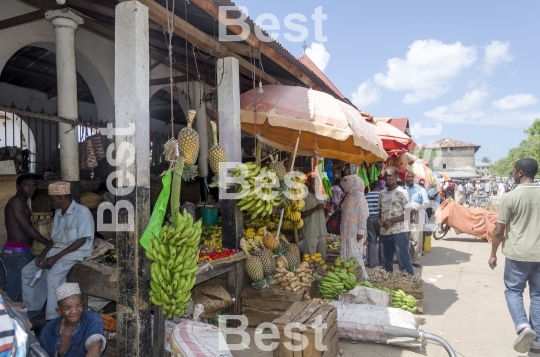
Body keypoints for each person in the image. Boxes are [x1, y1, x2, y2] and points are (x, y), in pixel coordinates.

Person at [22, 182, 95, 321]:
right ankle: (33, 308)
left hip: (76, 251)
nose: (50, 202)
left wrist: (55, 258)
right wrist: (43, 255)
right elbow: (54, 239)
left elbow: (81, 241)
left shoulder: (82, 212)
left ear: (61, 197)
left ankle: (53, 317)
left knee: (53, 278)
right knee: (28, 271)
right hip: (58, 250)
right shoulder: (58, 213)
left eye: (51, 199)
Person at [489, 158, 540, 354]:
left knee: (513, 291)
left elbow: (499, 231)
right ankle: (536, 341)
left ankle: (523, 327)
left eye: (513, 171)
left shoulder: (510, 197)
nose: (512, 174)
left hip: (518, 254)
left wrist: (493, 254)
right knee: (538, 295)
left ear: (520, 173)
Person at [2, 175, 49, 302]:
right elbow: (26, 228)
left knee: (15, 286)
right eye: (27, 185)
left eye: (33, 186)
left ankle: (12, 316)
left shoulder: (22, 202)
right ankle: (17, 316)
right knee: (26, 285)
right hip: (18, 253)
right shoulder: (16, 201)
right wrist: (48, 243)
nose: (31, 189)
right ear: (18, 187)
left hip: (14, 252)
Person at [40, 283, 106, 357]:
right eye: (68, 308)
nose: (74, 311)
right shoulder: (50, 327)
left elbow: (95, 346)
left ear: (83, 304)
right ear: (59, 311)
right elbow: (42, 353)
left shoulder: (93, 319)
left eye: (79, 305)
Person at [377, 166, 415, 276]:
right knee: (385, 264)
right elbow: (380, 210)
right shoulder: (382, 193)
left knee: (403, 262)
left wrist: (392, 221)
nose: (387, 178)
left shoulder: (402, 192)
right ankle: (387, 286)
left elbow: (410, 213)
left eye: (390, 175)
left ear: (397, 177)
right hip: (384, 233)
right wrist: (379, 219)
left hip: (399, 233)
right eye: (385, 176)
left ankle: (410, 286)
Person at [339, 175, 370, 279]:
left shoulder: (359, 197)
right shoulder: (348, 195)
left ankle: (360, 277)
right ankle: (348, 276)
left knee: (354, 253)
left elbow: (363, 214)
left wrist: (361, 231)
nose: (345, 186)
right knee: (346, 253)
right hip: (345, 230)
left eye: (347, 184)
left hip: (355, 231)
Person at [404, 172, 429, 268]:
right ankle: (403, 258)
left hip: (416, 214)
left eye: (411, 177)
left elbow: (426, 203)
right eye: (408, 177)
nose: (410, 178)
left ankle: (414, 260)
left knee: (416, 239)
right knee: (403, 237)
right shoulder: (401, 189)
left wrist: (416, 208)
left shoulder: (420, 189)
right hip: (404, 215)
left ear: (413, 178)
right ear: (405, 178)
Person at [301, 176, 327, 261]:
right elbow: (301, 215)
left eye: (318, 184)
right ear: (308, 184)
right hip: (310, 233)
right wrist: (315, 208)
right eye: (314, 184)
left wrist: (326, 209)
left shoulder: (321, 196)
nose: (317, 186)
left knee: (322, 260)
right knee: (310, 261)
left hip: (322, 231)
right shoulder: (304, 197)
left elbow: (324, 214)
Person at [365, 180, 381, 268]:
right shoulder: (381, 194)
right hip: (380, 220)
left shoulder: (367, 195)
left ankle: (371, 262)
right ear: (380, 186)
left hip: (369, 219)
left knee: (372, 241)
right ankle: (382, 261)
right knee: (382, 241)